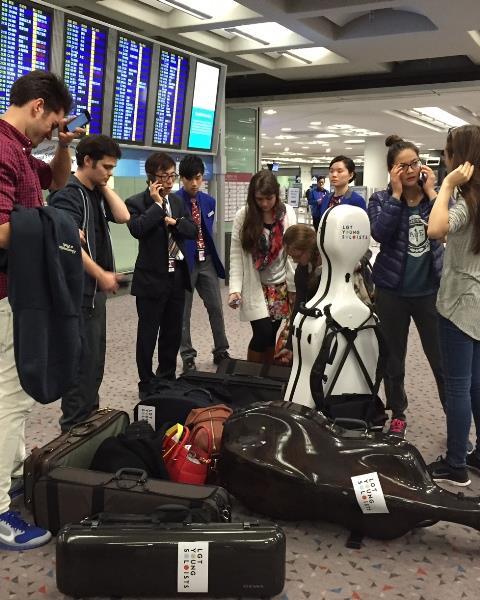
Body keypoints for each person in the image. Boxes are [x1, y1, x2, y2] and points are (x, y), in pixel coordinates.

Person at [0, 70, 82, 550]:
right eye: (52, 124)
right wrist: (59, 232)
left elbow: (56, 181)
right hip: (7, 295)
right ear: (37, 106)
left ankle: (10, 477)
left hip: (17, 294)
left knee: (12, 397)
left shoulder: (20, 150)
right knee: (11, 398)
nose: (52, 132)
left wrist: (64, 146)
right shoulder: (3, 147)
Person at [49, 135, 130, 432]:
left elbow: (123, 216)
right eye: (106, 167)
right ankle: (70, 436)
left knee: (94, 367)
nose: (110, 172)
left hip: (95, 297)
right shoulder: (67, 195)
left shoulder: (95, 191)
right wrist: (100, 274)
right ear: (86, 161)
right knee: (79, 371)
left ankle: (86, 432)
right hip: (77, 297)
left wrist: (104, 185)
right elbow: (68, 244)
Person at [368, 135, 445, 438]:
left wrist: (433, 191)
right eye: (403, 166)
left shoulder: (433, 199)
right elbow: (380, 234)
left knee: (440, 361)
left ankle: (454, 414)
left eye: (415, 163)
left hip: (430, 292)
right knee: (393, 359)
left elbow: (447, 229)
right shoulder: (380, 200)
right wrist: (396, 196)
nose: (411, 170)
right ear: (392, 171)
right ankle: (397, 413)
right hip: (391, 293)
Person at [426, 125, 480, 486]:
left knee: (458, 386)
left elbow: (436, 229)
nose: (444, 160)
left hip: (459, 305)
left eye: (447, 153)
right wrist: (438, 189)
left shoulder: (465, 202)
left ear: (459, 159)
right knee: (477, 385)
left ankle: (456, 463)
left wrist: (445, 186)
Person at [126, 152, 197, 398]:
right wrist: (157, 206)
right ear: (151, 178)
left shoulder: (177, 202)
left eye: (171, 176)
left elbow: (191, 230)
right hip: (151, 279)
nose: (169, 181)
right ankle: (146, 381)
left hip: (176, 276)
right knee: (148, 334)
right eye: (164, 176)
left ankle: (167, 376)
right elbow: (138, 229)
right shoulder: (136, 202)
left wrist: (174, 222)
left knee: (172, 331)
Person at [229, 170, 296, 363]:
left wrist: (294, 287)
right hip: (255, 285)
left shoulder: (287, 213)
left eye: (269, 198)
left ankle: (266, 375)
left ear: (277, 194)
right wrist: (234, 289)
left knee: (271, 335)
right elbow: (236, 255)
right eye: (260, 199)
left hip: (280, 286)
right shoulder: (244, 216)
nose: (265, 203)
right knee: (262, 334)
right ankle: (253, 375)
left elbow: (292, 254)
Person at [177, 155, 230, 372]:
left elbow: (207, 231)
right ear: (182, 179)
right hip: (185, 263)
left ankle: (221, 350)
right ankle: (187, 355)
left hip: (206, 260)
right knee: (184, 312)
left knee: (216, 307)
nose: (194, 183)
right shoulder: (174, 201)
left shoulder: (209, 202)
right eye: (189, 179)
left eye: (198, 178)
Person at [275, 224, 321, 365]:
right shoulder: (302, 271)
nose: (294, 261)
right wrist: (290, 346)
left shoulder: (332, 266)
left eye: (297, 256)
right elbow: (298, 309)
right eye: (291, 257)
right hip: (311, 319)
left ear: (310, 249)